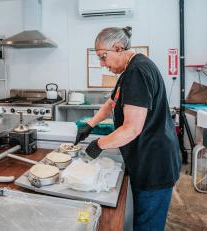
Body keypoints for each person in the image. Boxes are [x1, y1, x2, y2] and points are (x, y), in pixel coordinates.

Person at [75, 27, 181, 230]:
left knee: (147, 225)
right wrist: (90, 124)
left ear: (118, 47)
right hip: (151, 158)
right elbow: (111, 103)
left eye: (103, 57)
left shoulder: (137, 73)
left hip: (154, 165)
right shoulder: (130, 70)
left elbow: (132, 129)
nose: (102, 64)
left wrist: (99, 144)